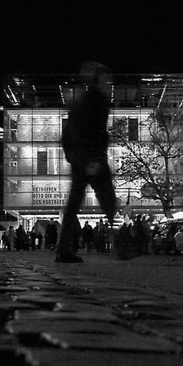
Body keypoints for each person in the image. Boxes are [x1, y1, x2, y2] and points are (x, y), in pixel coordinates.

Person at [55, 62, 119, 263]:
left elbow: (68, 133)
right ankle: (122, 241)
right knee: (108, 199)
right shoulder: (98, 101)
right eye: (106, 80)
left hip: (79, 156)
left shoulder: (80, 102)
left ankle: (64, 250)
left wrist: (72, 155)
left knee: (74, 203)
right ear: (97, 80)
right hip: (91, 155)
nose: (109, 83)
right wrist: (94, 158)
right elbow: (95, 131)